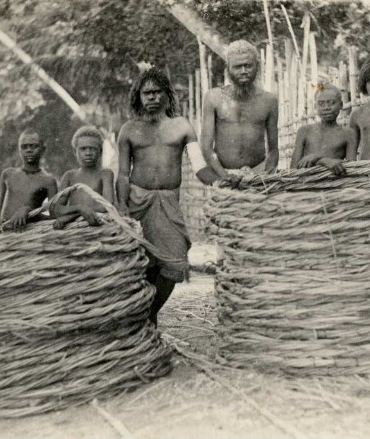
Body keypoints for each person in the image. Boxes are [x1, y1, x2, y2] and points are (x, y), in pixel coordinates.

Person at [117, 67, 198, 327]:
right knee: (143, 263)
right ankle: (145, 323)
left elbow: (200, 165)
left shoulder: (181, 126)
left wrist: (223, 180)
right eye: (146, 93)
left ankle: (151, 315)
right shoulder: (129, 130)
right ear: (138, 97)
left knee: (174, 263)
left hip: (169, 201)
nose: (151, 97)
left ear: (167, 95)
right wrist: (121, 206)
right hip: (137, 202)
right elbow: (121, 175)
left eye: (156, 92)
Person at [199, 39, 279, 185]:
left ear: (257, 66)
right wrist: (224, 176)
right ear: (228, 68)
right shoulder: (213, 98)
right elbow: (206, 147)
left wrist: (266, 177)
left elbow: (273, 150)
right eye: (237, 67)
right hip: (223, 174)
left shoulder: (269, 100)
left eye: (248, 65)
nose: (243, 71)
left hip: (258, 175)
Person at [0, 129, 57, 232]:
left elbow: (54, 218)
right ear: (19, 149)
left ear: (43, 149)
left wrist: (29, 212)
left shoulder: (48, 181)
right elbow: (0, 209)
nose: (29, 150)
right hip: (3, 233)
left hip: (27, 232)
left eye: (34, 146)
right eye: (24, 147)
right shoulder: (8, 174)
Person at [50, 125, 115, 229]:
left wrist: (73, 215)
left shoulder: (105, 174)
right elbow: (56, 209)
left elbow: (107, 205)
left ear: (100, 151)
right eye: (83, 149)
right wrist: (80, 208)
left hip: (99, 225)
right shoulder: (69, 176)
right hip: (74, 228)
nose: (88, 153)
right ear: (74, 151)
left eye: (92, 149)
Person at [291, 84, 357, 176]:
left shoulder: (348, 134)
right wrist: (323, 161)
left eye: (331, 103)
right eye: (321, 104)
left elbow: (352, 167)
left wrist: (317, 158)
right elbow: (294, 168)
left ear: (341, 105)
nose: (326, 108)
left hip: (334, 183)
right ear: (315, 106)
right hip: (307, 182)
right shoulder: (304, 131)